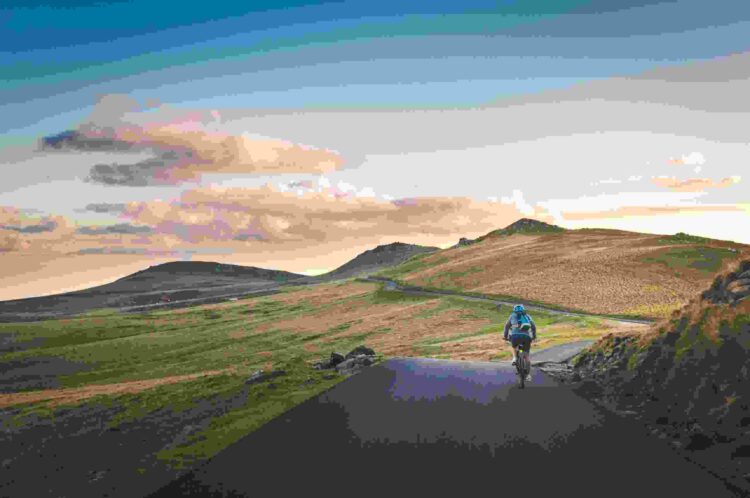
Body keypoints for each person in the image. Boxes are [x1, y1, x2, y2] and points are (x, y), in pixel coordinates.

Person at [502, 304, 537, 381]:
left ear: (514, 310)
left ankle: (514, 358)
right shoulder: (527, 316)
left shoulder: (512, 316)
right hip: (526, 337)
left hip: (515, 336)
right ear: (523, 310)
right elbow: (533, 327)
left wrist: (505, 337)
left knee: (513, 346)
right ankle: (527, 375)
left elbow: (507, 327)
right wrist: (534, 337)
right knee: (526, 356)